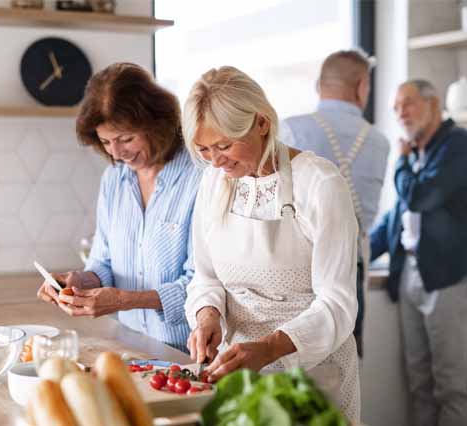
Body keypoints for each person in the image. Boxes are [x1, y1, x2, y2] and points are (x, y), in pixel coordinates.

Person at [183, 66, 361, 423]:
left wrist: (269, 348)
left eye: (224, 145)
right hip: (237, 372)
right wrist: (206, 315)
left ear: (262, 123)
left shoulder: (320, 183)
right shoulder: (213, 182)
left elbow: (338, 304)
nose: (216, 161)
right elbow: (204, 276)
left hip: (313, 374)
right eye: (203, 149)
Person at [37, 63, 202, 352]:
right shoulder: (114, 179)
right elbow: (104, 263)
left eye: (126, 138)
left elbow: (200, 283)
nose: (116, 152)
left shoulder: (199, 177)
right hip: (131, 345)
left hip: (190, 351)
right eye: (105, 142)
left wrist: (124, 300)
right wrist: (80, 281)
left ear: (157, 124)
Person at [370, 79, 467, 426]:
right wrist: (356, 255)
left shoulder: (460, 145)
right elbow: (396, 219)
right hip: (411, 275)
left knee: (450, 386)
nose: (400, 113)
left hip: (451, 277)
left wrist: (401, 163)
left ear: (434, 104)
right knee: (420, 383)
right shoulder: (418, 155)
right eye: (395, 108)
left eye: (407, 104)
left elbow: (422, 196)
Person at [280, 49, 390, 357]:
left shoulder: (289, 129)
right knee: (344, 368)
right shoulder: (379, 141)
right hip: (349, 273)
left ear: (319, 85)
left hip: (294, 273)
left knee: (291, 372)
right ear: (362, 86)